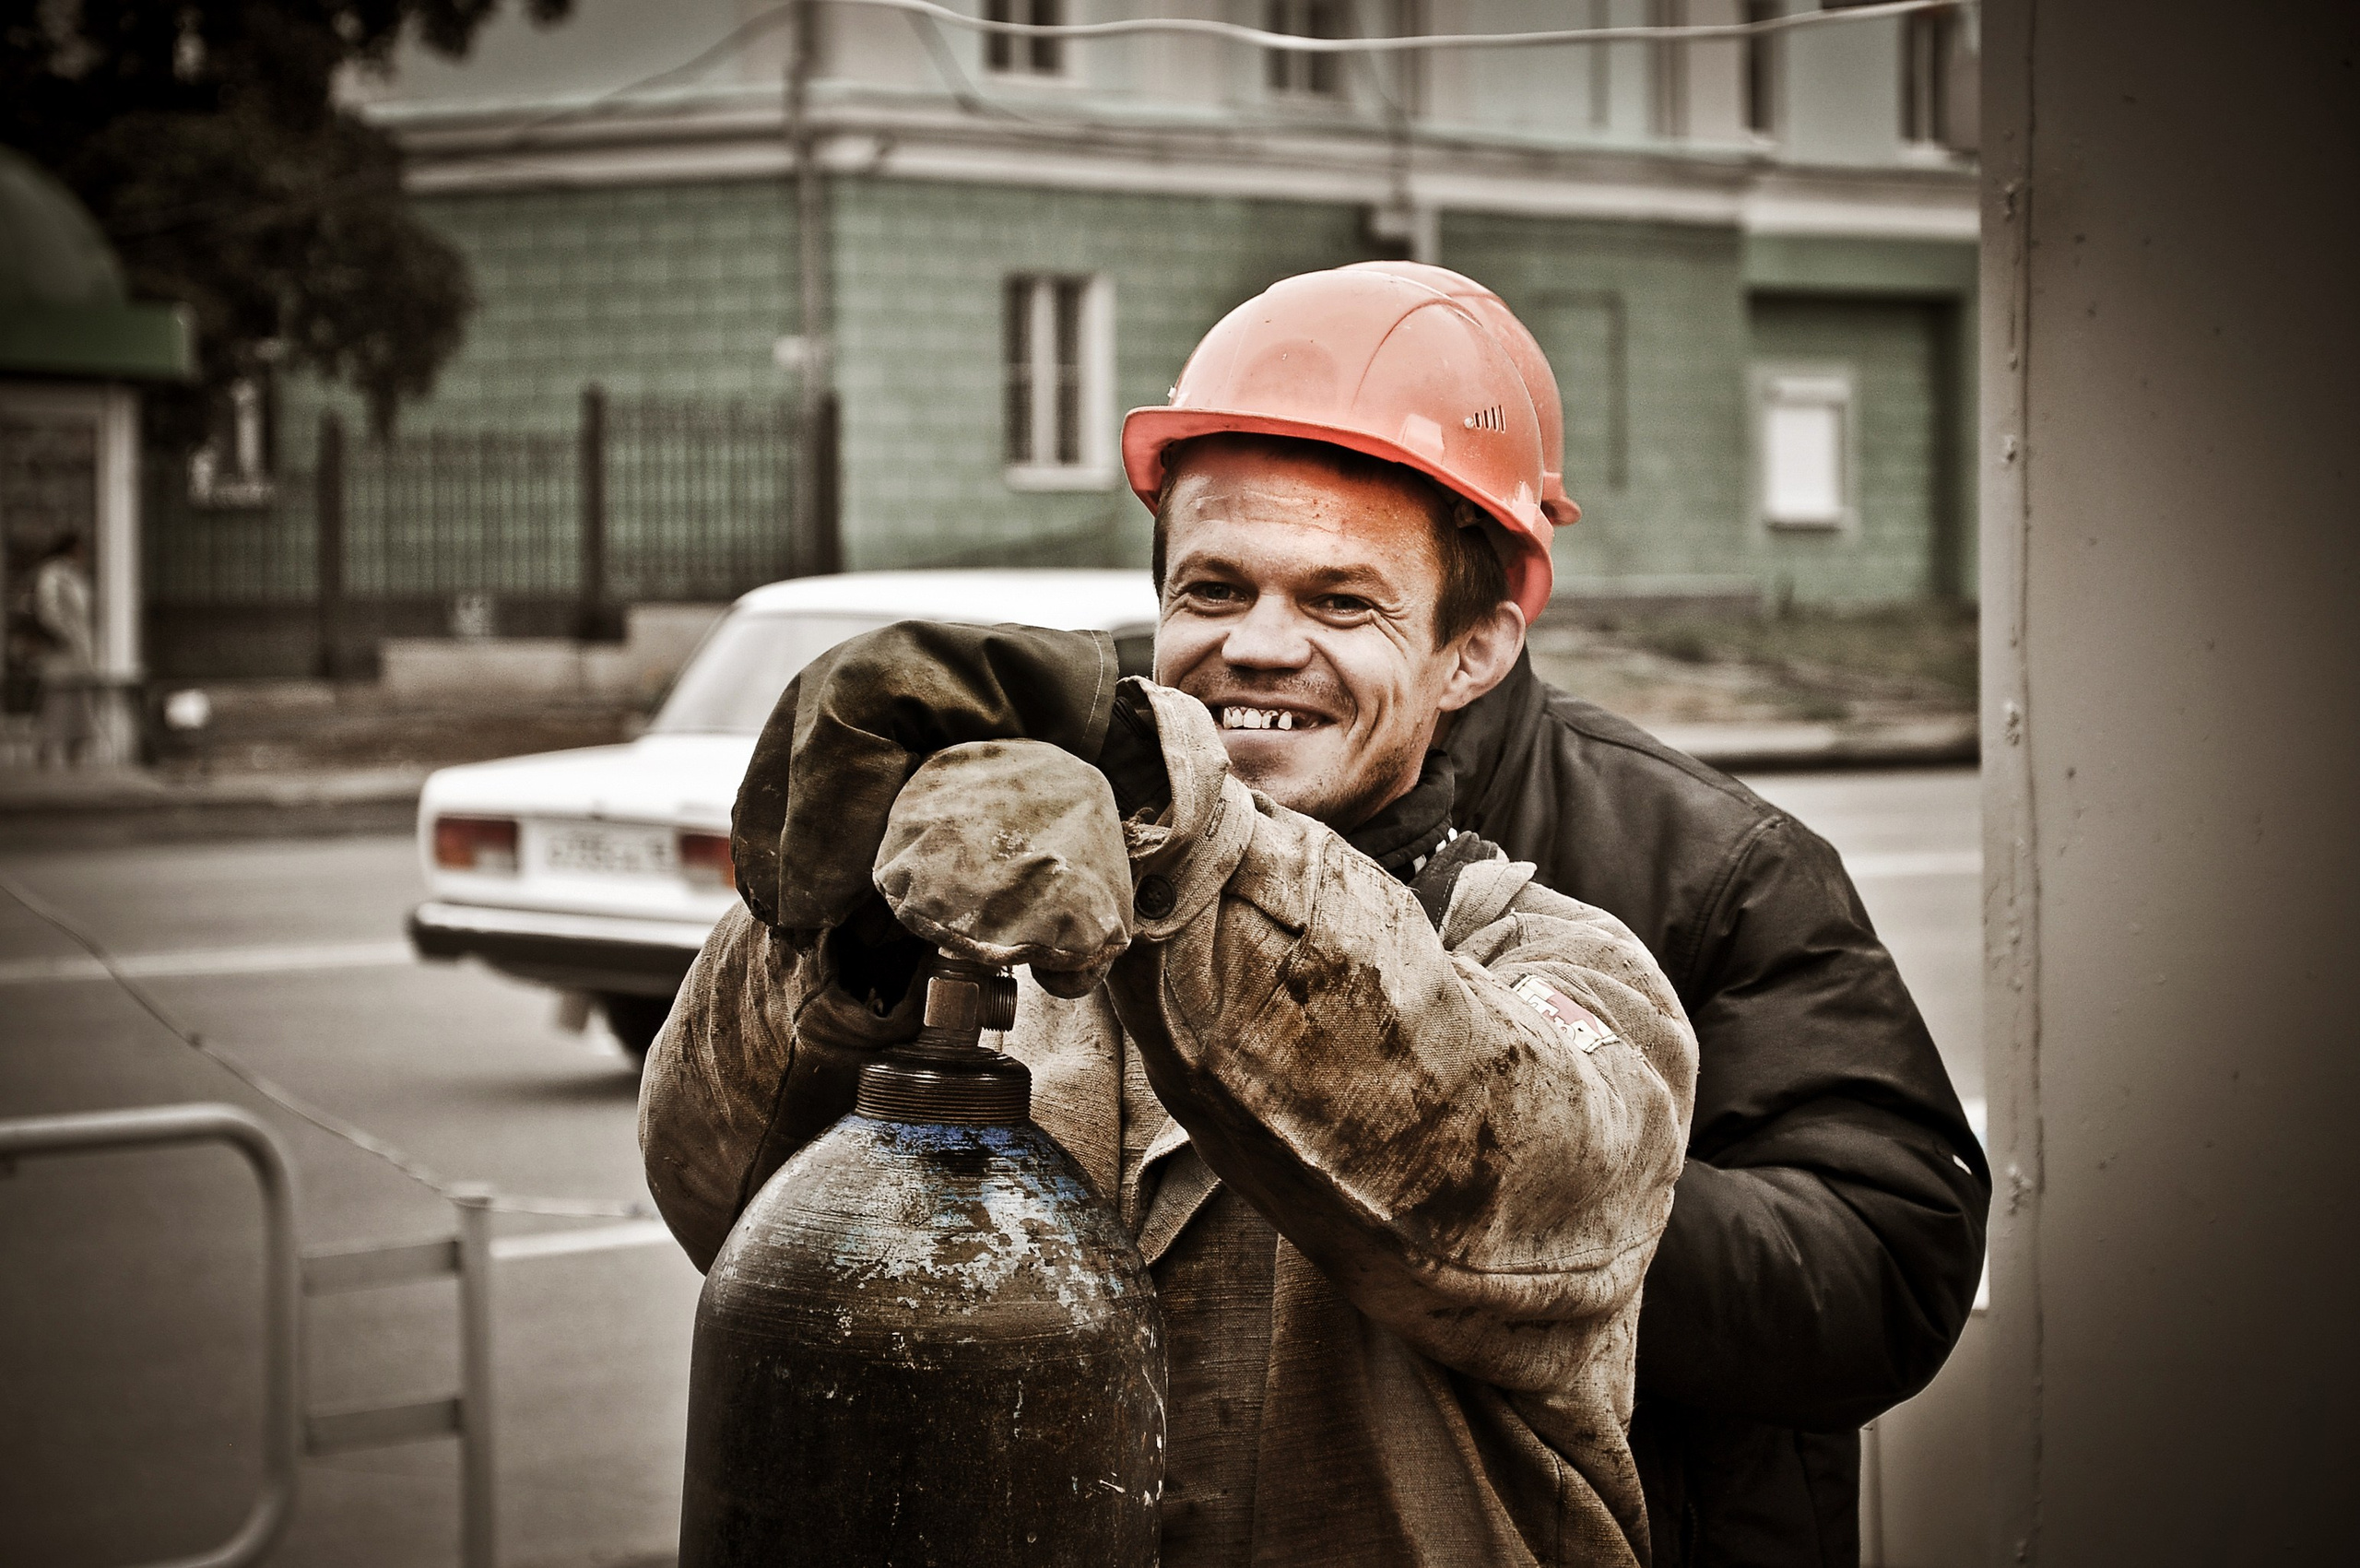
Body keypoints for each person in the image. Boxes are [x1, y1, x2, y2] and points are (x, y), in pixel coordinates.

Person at [643, 266, 1987, 1566]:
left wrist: (1582, 1264)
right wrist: (836, 952)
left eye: (1340, 599)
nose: (1260, 645)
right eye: (1213, 590)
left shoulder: (1582, 947)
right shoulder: (1043, 913)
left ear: (1475, 648)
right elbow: (726, 1201)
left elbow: (1533, 1169)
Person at [30, 532, 98, 769]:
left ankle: (75, 751)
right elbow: (47, 609)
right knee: (56, 699)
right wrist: (62, 634)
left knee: (79, 701)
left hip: (78, 650)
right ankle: (46, 749)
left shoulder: (76, 575)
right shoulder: (53, 574)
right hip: (62, 649)